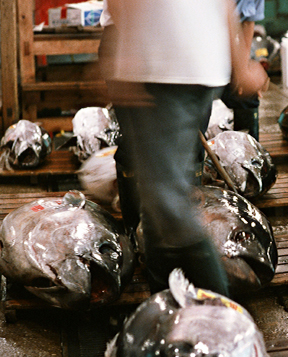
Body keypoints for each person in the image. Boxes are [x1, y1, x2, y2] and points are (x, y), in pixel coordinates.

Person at [100, 0, 269, 297]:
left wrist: (124, 57)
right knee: (157, 201)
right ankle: (166, 305)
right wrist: (238, 64)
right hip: (195, 65)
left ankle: (222, 318)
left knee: (167, 202)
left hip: (163, 67)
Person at [221, 0, 265, 141]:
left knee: (247, 96)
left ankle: (247, 153)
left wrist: (243, 68)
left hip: (231, 49)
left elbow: (248, 22)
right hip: (200, 53)